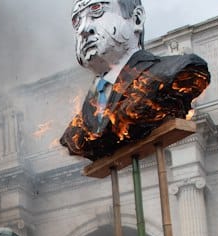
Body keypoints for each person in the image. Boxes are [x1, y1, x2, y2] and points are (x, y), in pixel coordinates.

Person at [59, 0, 209, 161]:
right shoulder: (78, 126)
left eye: (97, 10)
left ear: (136, 19)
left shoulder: (175, 71)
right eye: (77, 21)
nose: (82, 29)